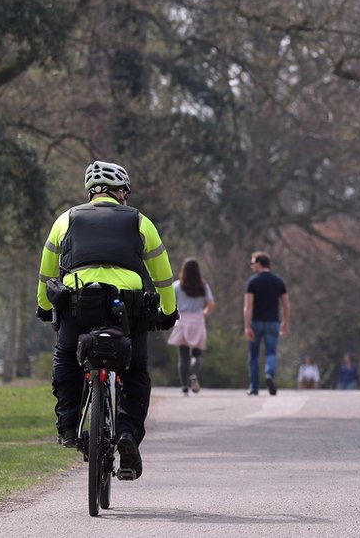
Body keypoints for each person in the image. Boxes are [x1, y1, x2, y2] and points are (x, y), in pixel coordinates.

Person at [36, 160, 178, 481]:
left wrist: (45, 306)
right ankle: (127, 433)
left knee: (66, 357)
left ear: (90, 193)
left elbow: (46, 271)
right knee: (136, 369)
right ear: (122, 192)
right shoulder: (140, 222)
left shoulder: (65, 219)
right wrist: (168, 312)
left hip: (77, 301)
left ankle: (69, 425)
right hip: (128, 306)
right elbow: (163, 275)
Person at [243, 251, 290, 395]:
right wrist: (285, 322)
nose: (251, 266)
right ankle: (269, 374)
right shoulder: (278, 281)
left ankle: (254, 387)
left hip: (256, 322)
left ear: (259, 263)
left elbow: (248, 306)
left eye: (252, 263)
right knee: (271, 352)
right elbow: (286, 305)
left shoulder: (252, 282)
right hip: (273, 322)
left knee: (254, 355)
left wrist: (247, 326)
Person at [167, 258, 215, 396]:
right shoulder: (203, 286)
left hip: (182, 320)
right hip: (198, 321)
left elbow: (171, 303)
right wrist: (204, 314)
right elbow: (211, 304)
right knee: (197, 354)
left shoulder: (177, 286)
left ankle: (184, 388)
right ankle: (194, 374)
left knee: (183, 356)